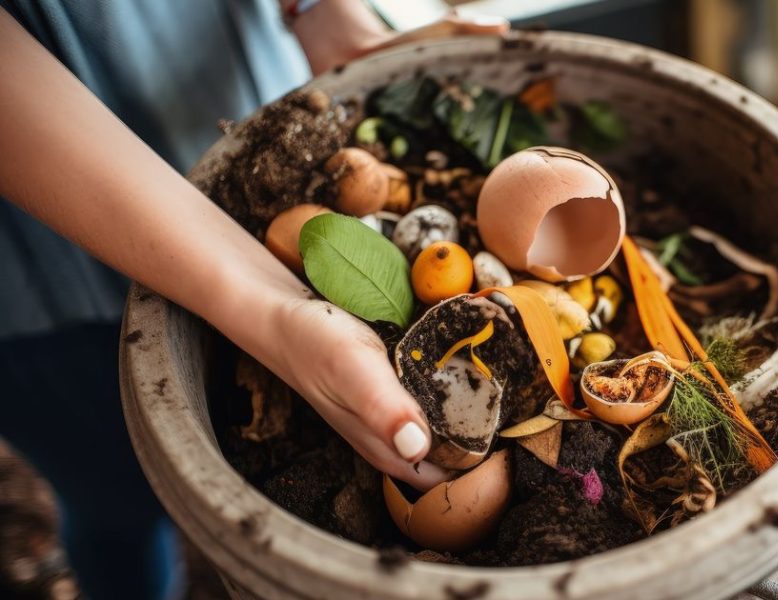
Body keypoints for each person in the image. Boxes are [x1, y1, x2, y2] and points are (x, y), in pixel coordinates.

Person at [0, 2, 506, 597]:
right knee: (112, 498)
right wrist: (267, 301)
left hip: (242, 101)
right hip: (48, 256)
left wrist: (320, 11)